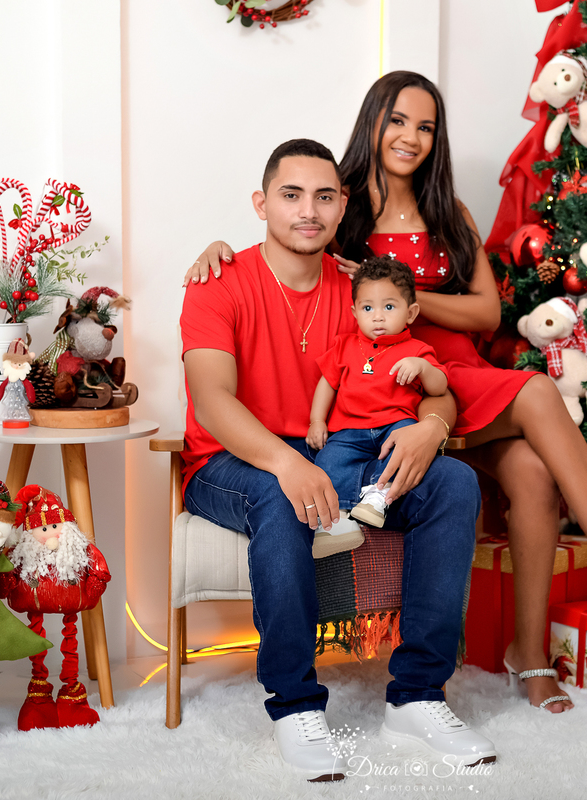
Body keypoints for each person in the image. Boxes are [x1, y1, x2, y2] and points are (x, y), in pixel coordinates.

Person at [186, 72, 587, 714]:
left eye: (426, 126)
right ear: (372, 122)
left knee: (535, 473)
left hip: (450, 380)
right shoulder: (341, 215)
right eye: (398, 120)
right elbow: (287, 246)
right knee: (540, 393)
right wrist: (218, 250)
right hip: (390, 390)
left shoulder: (445, 212)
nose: (410, 136)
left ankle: (529, 653)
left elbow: (487, 315)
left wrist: (410, 302)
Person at [180, 137, 496, 783]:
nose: (308, 210)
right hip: (229, 463)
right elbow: (211, 403)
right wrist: (285, 463)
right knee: (282, 493)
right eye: (290, 195)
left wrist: (431, 431)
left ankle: (416, 696)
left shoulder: (362, 290)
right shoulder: (219, 282)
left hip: (336, 454)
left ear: (342, 202)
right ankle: (294, 704)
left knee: (456, 483)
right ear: (261, 203)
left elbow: (435, 383)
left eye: (324, 196)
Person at [309, 255, 449, 529]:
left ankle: (380, 494)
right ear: (355, 313)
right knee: (327, 461)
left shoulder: (417, 350)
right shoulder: (345, 345)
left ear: (410, 313)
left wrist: (422, 367)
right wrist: (317, 421)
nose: (378, 316)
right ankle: (343, 512)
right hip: (349, 430)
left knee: (407, 452)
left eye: (388, 306)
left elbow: (439, 387)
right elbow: (327, 382)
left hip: (396, 426)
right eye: (368, 308)